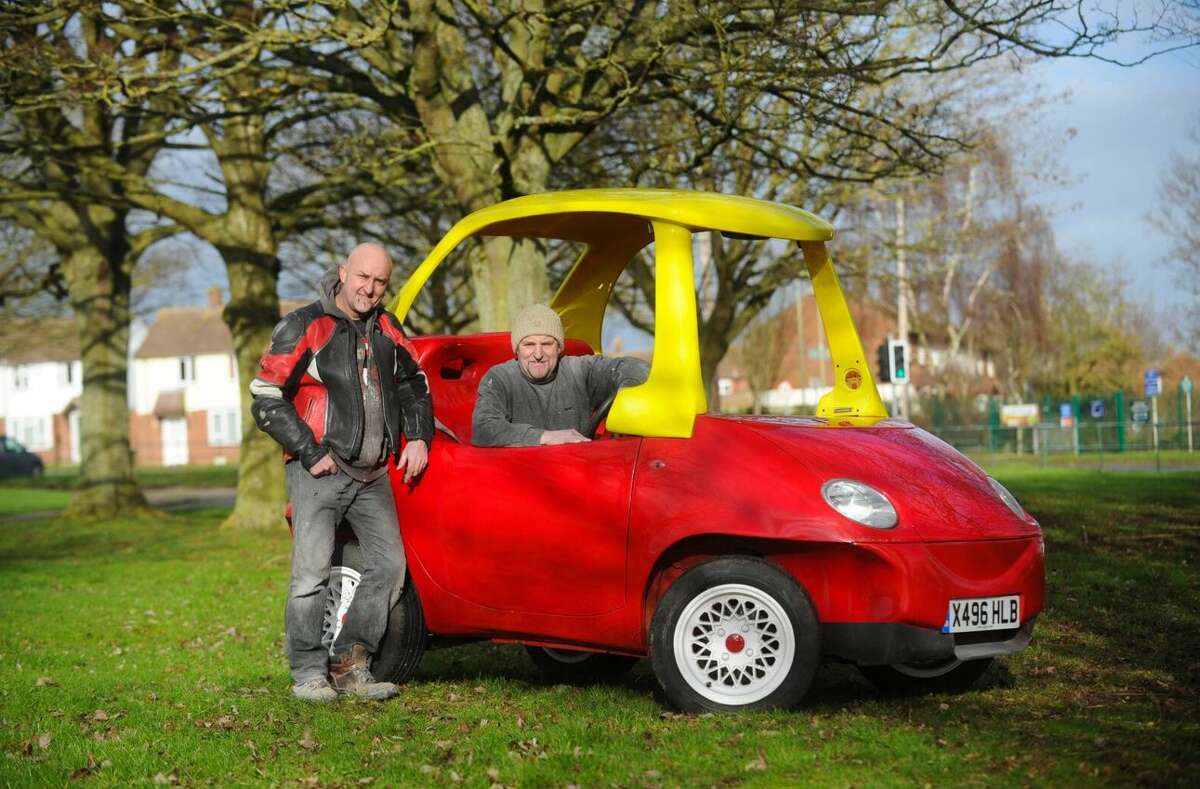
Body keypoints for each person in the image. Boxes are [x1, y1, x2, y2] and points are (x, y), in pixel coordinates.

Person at [250, 243, 433, 702]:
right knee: (311, 575)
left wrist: (418, 437)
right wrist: (310, 453)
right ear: (344, 272)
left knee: (389, 566)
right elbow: (265, 396)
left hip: (373, 473)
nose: (369, 289)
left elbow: (416, 383)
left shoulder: (389, 327)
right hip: (320, 471)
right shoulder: (304, 325)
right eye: (363, 278)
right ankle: (308, 673)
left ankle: (352, 664)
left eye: (379, 282)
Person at [472, 304, 649, 447]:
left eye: (547, 344)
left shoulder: (578, 370)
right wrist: (547, 437)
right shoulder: (500, 378)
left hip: (581, 472)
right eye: (529, 344)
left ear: (559, 348)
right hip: (522, 479)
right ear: (516, 350)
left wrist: (627, 396)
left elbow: (635, 368)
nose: (538, 353)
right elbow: (483, 429)